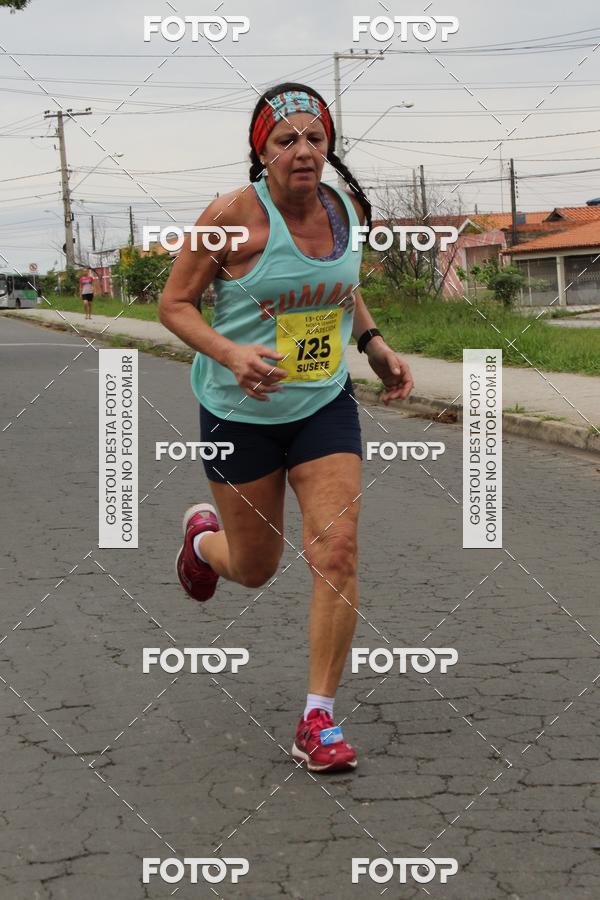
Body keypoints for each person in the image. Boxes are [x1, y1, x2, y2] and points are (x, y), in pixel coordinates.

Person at [159, 82, 414, 772]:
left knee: (336, 552)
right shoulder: (231, 217)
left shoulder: (344, 208)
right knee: (254, 568)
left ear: (329, 145)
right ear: (261, 150)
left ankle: (318, 719)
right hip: (237, 413)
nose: (303, 151)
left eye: (315, 138)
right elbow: (175, 304)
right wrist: (232, 353)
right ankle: (202, 540)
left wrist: (372, 343)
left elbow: (341, 280)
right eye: (286, 140)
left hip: (322, 405)